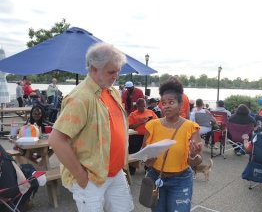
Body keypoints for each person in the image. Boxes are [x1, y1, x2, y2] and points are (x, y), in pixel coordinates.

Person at [48, 42, 134, 212]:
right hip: (92, 177)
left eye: (118, 71)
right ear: (94, 69)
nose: (116, 76)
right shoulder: (80, 98)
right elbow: (56, 140)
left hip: (115, 172)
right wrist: (81, 177)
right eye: (111, 72)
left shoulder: (112, 91)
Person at [143, 77, 202, 211]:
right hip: (156, 178)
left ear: (181, 105)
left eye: (171, 102)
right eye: (163, 103)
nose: (167, 106)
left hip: (181, 180)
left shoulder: (191, 127)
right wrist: (147, 161)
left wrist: (193, 156)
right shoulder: (151, 125)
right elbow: (144, 155)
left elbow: (197, 161)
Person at [128, 98, 158, 175]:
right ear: (137, 106)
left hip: (148, 136)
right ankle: (132, 168)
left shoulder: (150, 112)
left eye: (144, 106)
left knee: (149, 152)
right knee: (133, 151)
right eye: (141, 106)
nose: (143, 108)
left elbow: (157, 122)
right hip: (136, 135)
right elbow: (130, 126)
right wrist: (141, 122)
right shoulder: (133, 114)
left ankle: (147, 168)